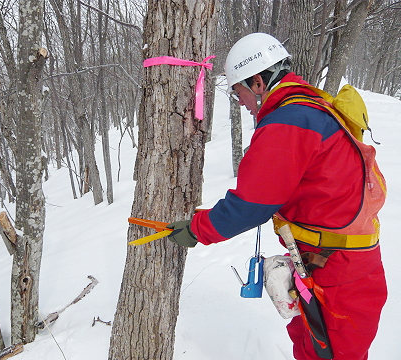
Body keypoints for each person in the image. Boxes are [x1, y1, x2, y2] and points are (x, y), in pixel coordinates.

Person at [166, 33, 387, 360]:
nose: (239, 100)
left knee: (333, 353)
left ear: (258, 82)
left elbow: (251, 205)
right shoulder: (310, 105)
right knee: (310, 345)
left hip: (339, 272)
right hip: (327, 261)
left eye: (238, 90)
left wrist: (198, 228)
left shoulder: (289, 121)